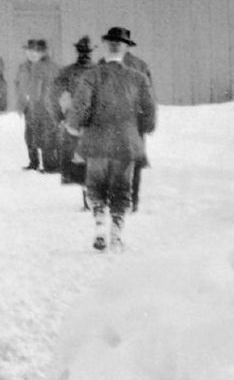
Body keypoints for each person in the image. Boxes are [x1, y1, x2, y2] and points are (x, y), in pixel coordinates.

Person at [69, 39, 156, 251]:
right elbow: (149, 111)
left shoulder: (91, 75)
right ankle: (116, 234)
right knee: (122, 188)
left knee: (95, 184)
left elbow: (81, 106)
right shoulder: (138, 77)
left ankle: (99, 223)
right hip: (125, 142)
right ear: (125, 49)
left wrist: (74, 126)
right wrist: (141, 129)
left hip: (96, 141)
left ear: (105, 48)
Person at [101, 27, 154, 211]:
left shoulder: (139, 66)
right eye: (111, 43)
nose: (115, 46)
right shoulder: (100, 65)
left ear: (127, 45)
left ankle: (132, 200)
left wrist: (147, 122)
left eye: (119, 43)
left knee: (133, 161)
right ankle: (112, 199)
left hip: (133, 122)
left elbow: (148, 98)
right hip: (106, 122)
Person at [53, 36, 98, 192]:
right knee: (76, 158)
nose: (84, 54)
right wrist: (60, 116)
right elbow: (55, 95)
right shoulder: (67, 72)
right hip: (74, 120)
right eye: (81, 51)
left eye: (88, 52)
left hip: (96, 121)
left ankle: (92, 192)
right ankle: (86, 191)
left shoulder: (100, 71)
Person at [14, 39, 61, 171]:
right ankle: (33, 162)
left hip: (45, 106)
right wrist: (20, 103)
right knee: (30, 135)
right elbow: (18, 85)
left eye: (36, 51)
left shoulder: (51, 67)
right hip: (28, 106)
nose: (32, 54)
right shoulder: (23, 67)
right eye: (29, 51)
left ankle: (51, 164)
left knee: (47, 134)